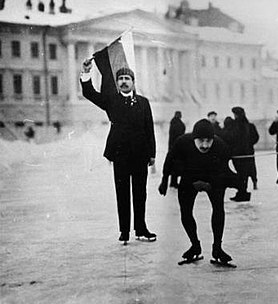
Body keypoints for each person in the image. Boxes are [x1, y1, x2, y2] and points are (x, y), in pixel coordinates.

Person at [80, 59, 156, 244]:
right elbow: (89, 93)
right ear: (118, 82)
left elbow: (149, 128)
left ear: (133, 82)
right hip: (120, 154)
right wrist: (86, 73)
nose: (123, 81)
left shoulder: (144, 103)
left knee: (140, 193)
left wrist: (152, 153)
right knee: (122, 193)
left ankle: (141, 228)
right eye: (120, 78)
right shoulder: (111, 101)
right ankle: (124, 231)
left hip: (140, 155)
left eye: (127, 78)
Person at [158, 119, 234, 264]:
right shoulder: (182, 142)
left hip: (212, 179)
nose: (205, 145)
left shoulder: (220, 145)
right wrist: (164, 180)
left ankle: (217, 248)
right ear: (194, 139)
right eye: (201, 141)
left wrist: (216, 183)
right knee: (185, 212)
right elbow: (170, 160)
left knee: (219, 209)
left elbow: (225, 170)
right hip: (189, 177)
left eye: (208, 141)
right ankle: (195, 245)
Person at [230, 106, 259, 201]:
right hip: (246, 153)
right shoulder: (249, 125)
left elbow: (231, 138)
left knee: (242, 174)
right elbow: (256, 138)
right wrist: (249, 145)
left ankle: (242, 194)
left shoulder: (235, 126)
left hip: (240, 154)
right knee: (243, 174)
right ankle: (242, 193)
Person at [168, 111, 186, 188]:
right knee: (178, 166)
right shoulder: (179, 124)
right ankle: (174, 183)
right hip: (179, 147)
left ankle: (173, 182)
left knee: (173, 166)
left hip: (172, 147)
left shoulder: (172, 123)